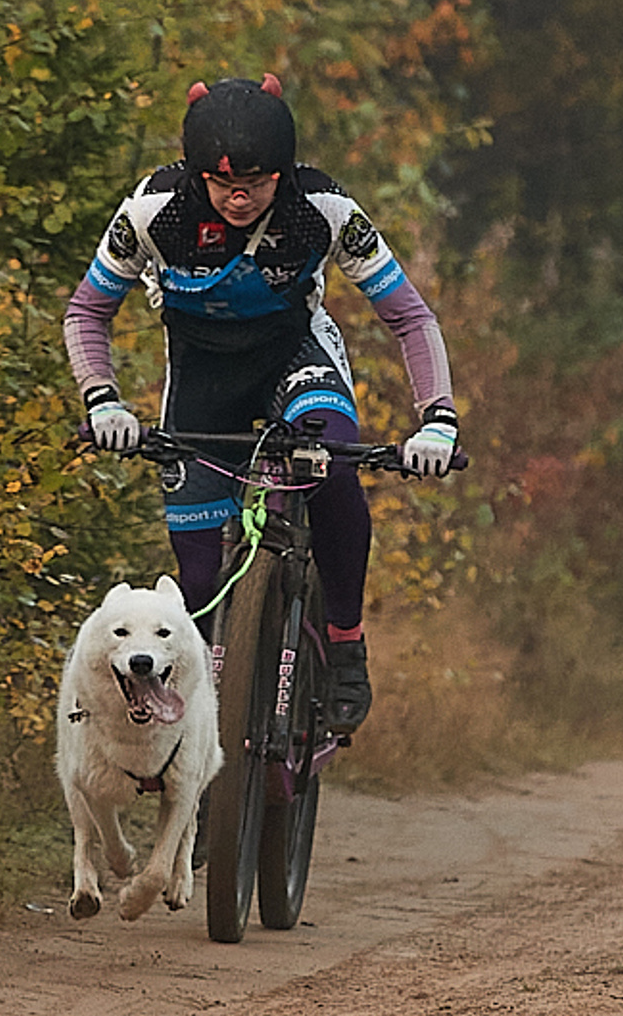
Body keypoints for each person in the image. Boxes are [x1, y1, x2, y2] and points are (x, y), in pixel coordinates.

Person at [64, 74, 459, 733]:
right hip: (201, 378)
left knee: (330, 463)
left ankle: (344, 642)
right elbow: (88, 310)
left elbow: (410, 318)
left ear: (286, 173)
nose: (240, 197)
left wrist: (438, 420)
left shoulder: (323, 207)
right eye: (223, 183)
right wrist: (104, 403)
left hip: (294, 358)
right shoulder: (153, 212)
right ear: (197, 176)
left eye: (259, 181)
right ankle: (186, 729)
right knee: (194, 585)